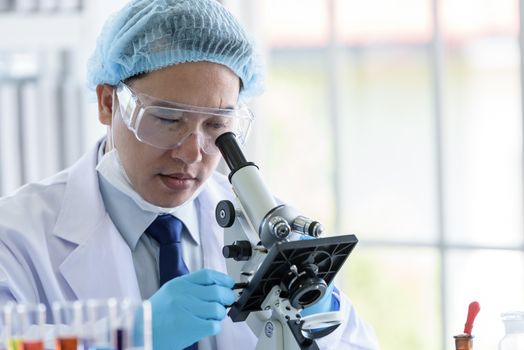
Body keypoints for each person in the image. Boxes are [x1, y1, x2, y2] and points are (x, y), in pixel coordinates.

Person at [0, 0, 380, 349]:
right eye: (166, 119)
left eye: (216, 126)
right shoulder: (16, 238)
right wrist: (129, 338)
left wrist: (321, 321)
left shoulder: (265, 222)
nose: (191, 153)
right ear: (106, 102)